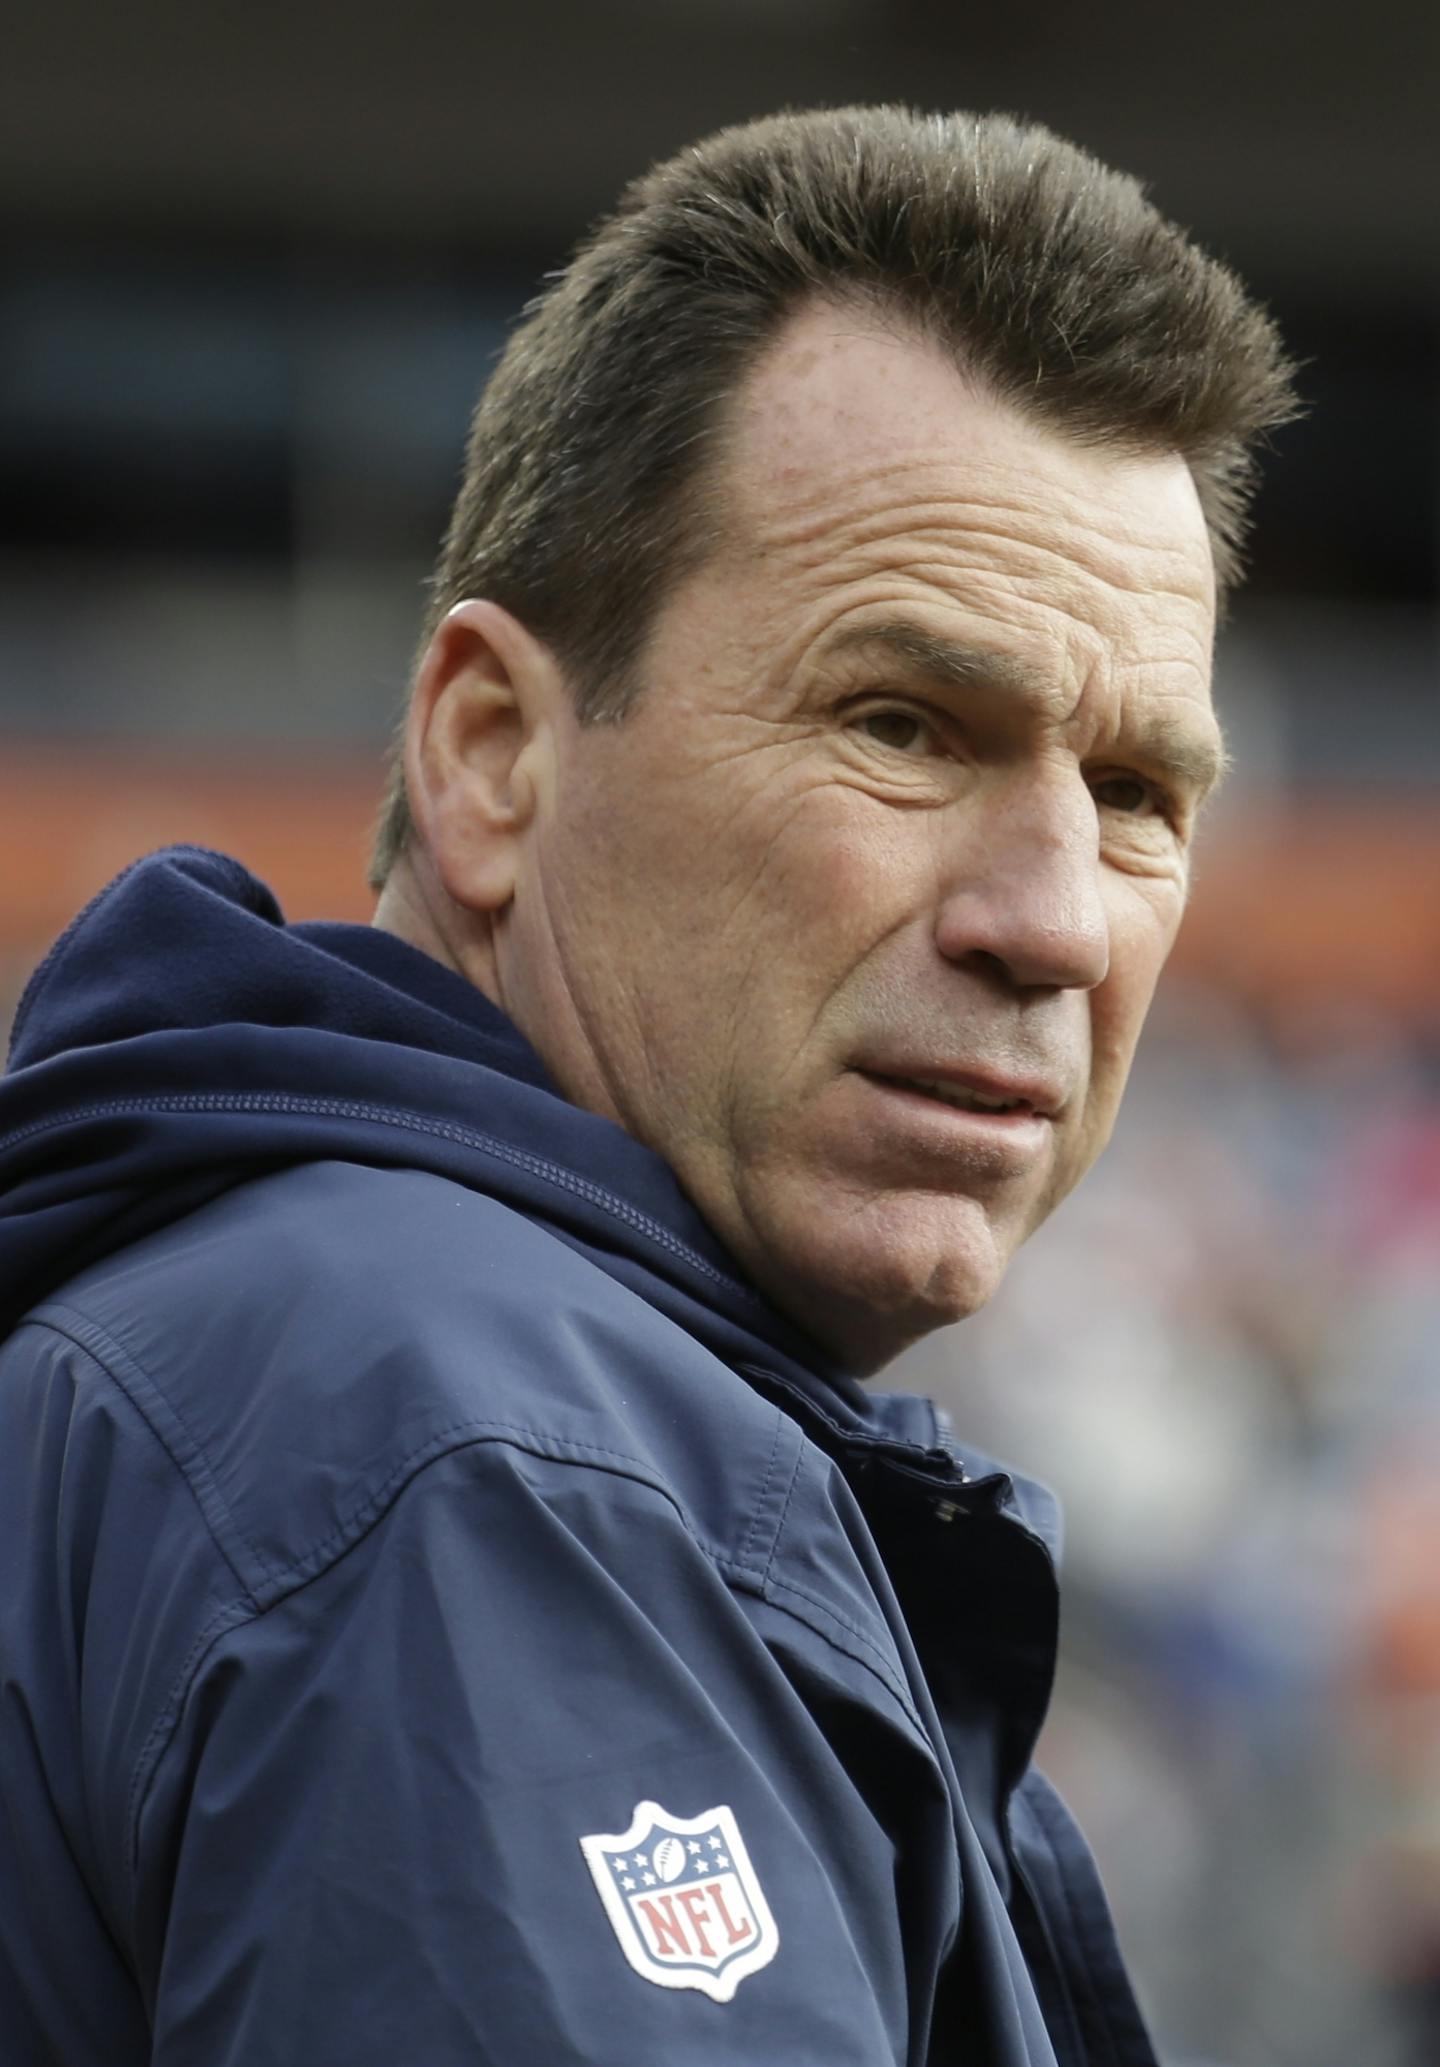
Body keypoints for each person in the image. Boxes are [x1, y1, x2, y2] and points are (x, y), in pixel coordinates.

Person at [0, 106, 1295, 2065]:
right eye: (905, 725)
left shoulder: (327, 1356)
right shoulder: (472, 1453)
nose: (1059, 923)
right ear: (496, 754)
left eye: (1136, 794)